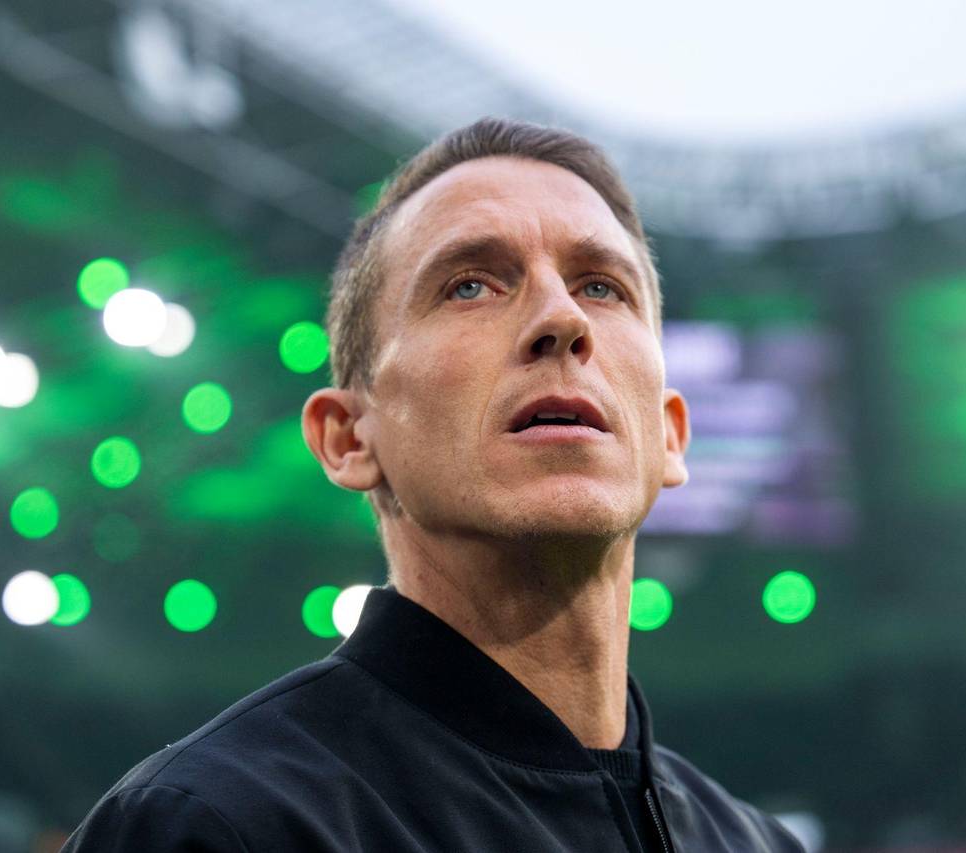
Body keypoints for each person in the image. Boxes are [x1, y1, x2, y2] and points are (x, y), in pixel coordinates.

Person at [61, 118, 805, 853]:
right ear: (349, 437)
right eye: (470, 285)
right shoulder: (213, 826)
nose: (562, 317)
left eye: (602, 287)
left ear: (670, 434)